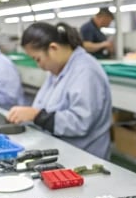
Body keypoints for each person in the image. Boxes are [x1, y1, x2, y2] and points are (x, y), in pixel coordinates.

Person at [7, 22, 112, 159]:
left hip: (83, 157)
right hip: (58, 149)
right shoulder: (57, 70)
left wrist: (37, 115)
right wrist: (29, 114)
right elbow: (43, 106)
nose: (40, 66)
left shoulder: (86, 71)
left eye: (38, 59)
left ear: (53, 48)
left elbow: (80, 123)